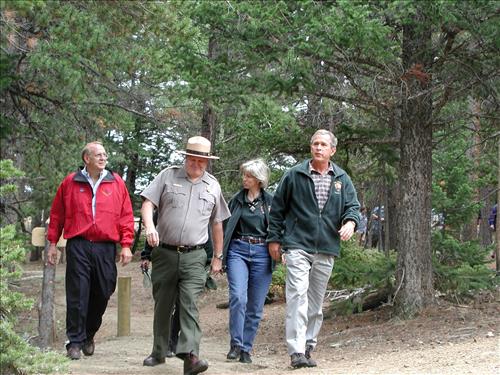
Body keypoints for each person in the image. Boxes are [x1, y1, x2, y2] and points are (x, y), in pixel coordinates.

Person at [267, 129, 360, 369]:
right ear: (311, 148)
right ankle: (296, 351)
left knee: (315, 302)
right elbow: (277, 209)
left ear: (332, 150)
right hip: (297, 244)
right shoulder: (295, 175)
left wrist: (350, 223)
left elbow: (353, 207)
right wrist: (274, 240)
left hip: (327, 246)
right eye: (315, 144)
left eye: (323, 145)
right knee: (298, 295)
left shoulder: (341, 178)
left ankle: (309, 345)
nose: (318, 148)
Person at [140, 136, 230, 375]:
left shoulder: (213, 185)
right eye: (193, 159)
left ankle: (190, 356)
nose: (197, 164)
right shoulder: (167, 176)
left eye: (202, 161)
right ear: (186, 157)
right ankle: (159, 352)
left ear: (207, 162)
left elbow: (217, 223)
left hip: (195, 256)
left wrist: (218, 257)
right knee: (163, 305)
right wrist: (149, 226)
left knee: (189, 303)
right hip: (165, 253)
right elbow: (148, 203)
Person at [46, 141, 134, 360]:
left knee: (103, 291)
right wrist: (52, 244)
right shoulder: (70, 182)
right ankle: (74, 342)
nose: (103, 158)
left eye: (105, 154)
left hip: (105, 247)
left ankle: (89, 334)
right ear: (87, 159)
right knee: (77, 293)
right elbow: (57, 215)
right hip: (79, 244)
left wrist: (126, 244)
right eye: (98, 155)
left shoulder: (116, 183)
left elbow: (125, 215)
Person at [222, 159, 274, 364]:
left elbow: (279, 226)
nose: (244, 179)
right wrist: (219, 255)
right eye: (244, 175)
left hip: (263, 253)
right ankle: (235, 343)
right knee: (238, 297)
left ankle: (246, 347)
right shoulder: (236, 200)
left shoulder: (270, 202)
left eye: (249, 176)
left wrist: (281, 249)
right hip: (238, 250)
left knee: (255, 305)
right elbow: (223, 226)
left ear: (259, 180)